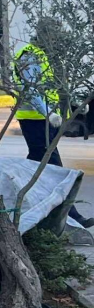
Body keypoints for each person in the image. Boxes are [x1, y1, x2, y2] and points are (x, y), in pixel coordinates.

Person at [14, 19, 94, 227]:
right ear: (44, 34)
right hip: (35, 120)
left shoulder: (48, 54)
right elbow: (31, 90)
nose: (56, 39)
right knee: (54, 167)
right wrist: (48, 113)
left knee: (36, 164)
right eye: (53, 35)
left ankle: (19, 199)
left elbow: (58, 85)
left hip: (46, 121)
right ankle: (73, 216)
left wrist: (75, 104)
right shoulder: (30, 56)